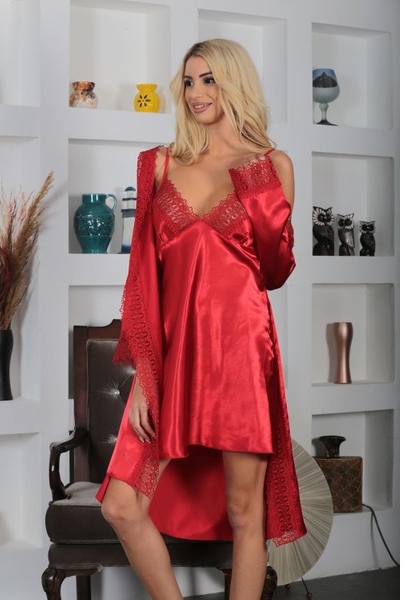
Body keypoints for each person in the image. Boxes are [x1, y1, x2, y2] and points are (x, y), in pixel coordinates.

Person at [97, 38, 306, 600]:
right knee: (121, 504)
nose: (196, 92)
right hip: (172, 358)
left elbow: (275, 271)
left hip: (242, 356)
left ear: (234, 83)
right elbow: (142, 280)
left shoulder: (273, 166)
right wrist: (144, 375)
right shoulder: (161, 164)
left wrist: (259, 188)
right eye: (188, 81)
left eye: (209, 79)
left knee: (245, 511)